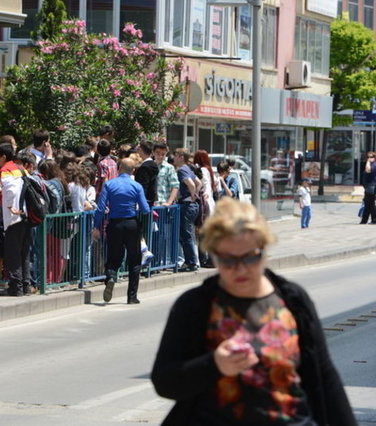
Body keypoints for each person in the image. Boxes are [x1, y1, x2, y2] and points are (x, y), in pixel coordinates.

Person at [151, 197, 356, 426]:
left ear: (264, 249)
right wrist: (214, 364)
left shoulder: (293, 301)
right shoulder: (195, 306)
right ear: (214, 255)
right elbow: (165, 381)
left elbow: (325, 380)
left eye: (250, 257)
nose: (240, 268)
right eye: (228, 260)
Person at [92, 158, 150, 304]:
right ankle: (132, 296)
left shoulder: (110, 184)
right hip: (132, 224)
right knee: (134, 260)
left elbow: (100, 208)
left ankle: (111, 276)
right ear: (133, 171)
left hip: (115, 224)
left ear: (119, 168)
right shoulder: (136, 186)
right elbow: (145, 209)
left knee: (113, 256)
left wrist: (95, 226)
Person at [0, 142, 30, 296]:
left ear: (3, 157)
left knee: (13, 253)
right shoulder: (19, 168)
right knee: (23, 252)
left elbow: (10, 191)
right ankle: (25, 285)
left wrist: (10, 208)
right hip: (25, 215)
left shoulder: (6, 170)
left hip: (14, 217)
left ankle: (15, 287)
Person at [174, 148, 202, 272]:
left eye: (175, 155)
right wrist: (195, 194)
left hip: (187, 205)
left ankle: (191, 263)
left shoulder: (181, 170)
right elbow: (199, 183)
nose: (173, 158)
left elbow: (191, 184)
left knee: (186, 235)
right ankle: (191, 261)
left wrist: (192, 195)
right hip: (192, 205)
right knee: (187, 234)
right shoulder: (188, 169)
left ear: (181, 157)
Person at [153, 142, 179, 206]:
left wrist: (169, 202)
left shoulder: (169, 168)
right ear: (153, 152)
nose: (160, 156)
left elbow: (175, 186)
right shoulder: (149, 166)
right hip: (151, 204)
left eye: (163, 154)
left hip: (163, 205)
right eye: (157, 153)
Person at [360, 151, 376, 224]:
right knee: (370, 204)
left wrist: (368, 162)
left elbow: (368, 170)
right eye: (368, 157)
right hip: (369, 186)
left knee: (368, 204)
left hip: (371, 186)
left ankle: (364, 220)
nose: (369, 158)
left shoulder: (373, 165)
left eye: (371, 157)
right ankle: (373, 219)